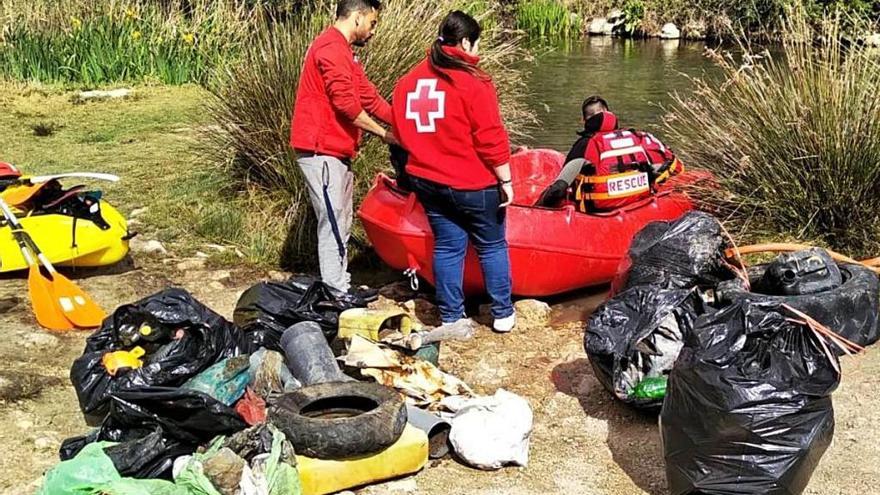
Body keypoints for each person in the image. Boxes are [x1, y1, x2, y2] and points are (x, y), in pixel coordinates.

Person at [391, 11, 516, 333]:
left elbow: (402, 134)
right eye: (477, 45)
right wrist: (506, 179)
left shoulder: (408, 82)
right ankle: (502, 313)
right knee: (491, 245)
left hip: (427, 181)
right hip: (473, 184)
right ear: (464, 42)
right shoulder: (474, 82)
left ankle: (451, 316)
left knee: (447, 247)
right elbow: (490, 137)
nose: (478, 52)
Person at [291, 0, 398, 292]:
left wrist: (404, 122)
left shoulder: (346, 54)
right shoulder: (330, 48)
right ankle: (335, 291)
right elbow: (347, 105)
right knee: (333, 223)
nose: (373, 31)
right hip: (320, 151)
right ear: (357, 17)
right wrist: (385, 134)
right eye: (372, 23)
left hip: (336, 152)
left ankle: (339, 284)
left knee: (342, 219)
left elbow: (370, 98)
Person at [537, 96, 684, 211]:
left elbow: (558, 189)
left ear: (583, 120)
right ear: (609, 113)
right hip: (639, 205)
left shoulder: (586, 145)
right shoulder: (638, 137)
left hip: (598, 213)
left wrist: (538, 207)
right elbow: (672, 166)